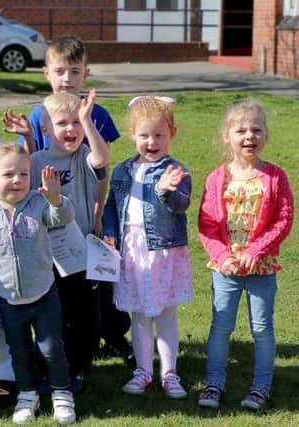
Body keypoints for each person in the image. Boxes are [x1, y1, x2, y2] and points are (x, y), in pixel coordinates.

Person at [2, 34, 131, 367]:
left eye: (74, 72)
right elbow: (34, 167)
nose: (66, 79)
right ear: (47, 73)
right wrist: (29, 136)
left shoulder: (94, 113)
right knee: (64, 290)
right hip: (52, 225)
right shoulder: (39, 113)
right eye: (60, 71)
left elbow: (101, 167)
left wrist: (101, 214)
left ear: (85, 74)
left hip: (88, 215)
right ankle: (65, 348)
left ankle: (114, 335)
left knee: (100, 283)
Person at [0, 143, 77, 425]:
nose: (17, 180)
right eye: (9, 174)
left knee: (51, 347)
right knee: (20, 350)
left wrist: (55, 198)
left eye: (24, 174)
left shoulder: (38, 204)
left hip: (44, 294)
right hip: (9, 298)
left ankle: (62, 392)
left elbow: (63, 218)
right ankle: (28, 393)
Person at [197, 99, 294, 410]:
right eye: (241, 130)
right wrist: (223, 256)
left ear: (266, 135)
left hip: (261, 269)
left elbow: (283, 219)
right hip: (224, 270)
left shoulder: (276, 177)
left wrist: (256, 250)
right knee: (221, 327)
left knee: (262, 329)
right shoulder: (216, 179)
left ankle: (260, 388)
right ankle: (214, 384)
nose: (249, 136)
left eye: (257, 129)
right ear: (228, 136)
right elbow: (207, 225)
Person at [102, 96, 193, 399]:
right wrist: (111, 235)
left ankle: (169, 373)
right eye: (144, 135)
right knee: (139, 315)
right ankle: (143, 370)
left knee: (166, 313)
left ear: (172, 134)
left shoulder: (176, 170)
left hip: (164, 251)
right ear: (133, 135)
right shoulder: (122, 171)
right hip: (133, 250)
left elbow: (182, 205)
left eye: (159, 135)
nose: (151, 142)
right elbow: (111, 208)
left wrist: (165, 191)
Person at [25, 90, 108, 394]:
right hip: (46, 256)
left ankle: (79, 368)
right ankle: (50, 370)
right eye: (62, 123)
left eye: (76, 122)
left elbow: (102, 159)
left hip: (81, 255)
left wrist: (88, 121)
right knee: (52, 320)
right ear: (46, 129)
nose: (71, 129)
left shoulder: (84, 155)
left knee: (85, 319)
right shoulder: (36, 162)